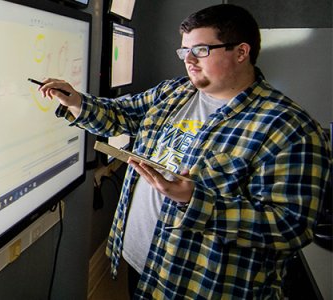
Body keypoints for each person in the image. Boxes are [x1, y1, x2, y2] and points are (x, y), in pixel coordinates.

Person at [38, 4, 331, 299]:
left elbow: (291, 226)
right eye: (184, 51)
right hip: (144, 263)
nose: (188, 60)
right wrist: (75, 101)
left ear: (241, 52)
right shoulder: (175, 92)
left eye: (201, 50)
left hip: (200, 286)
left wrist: (195, 201)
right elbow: (121, 114)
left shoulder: (290, 128)